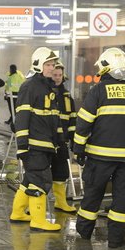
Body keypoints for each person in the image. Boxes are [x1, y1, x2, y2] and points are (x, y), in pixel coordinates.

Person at [72, 48, 125, 248]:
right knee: (122, 198)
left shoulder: (99, 90)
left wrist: (79, 149)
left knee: (93, 195)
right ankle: (116, 240)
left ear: (107, 67)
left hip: (100, 156)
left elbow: (83, 123)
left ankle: (84, 234)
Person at [10, 47, 62, 231]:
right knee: (40, 179)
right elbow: (22, 117)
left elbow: (53, 116)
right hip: (34, 144)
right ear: (38, 65)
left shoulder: (48, 87)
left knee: (30, 180)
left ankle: (17, 212)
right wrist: (22, 145)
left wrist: (59, 139)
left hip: (45, 143)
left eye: (53, 64)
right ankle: (38, 220)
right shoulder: (30, 86)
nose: (51, 68)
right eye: (48, 64)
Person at [50, 61, 77, 214]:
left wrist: (73, 139)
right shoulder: (43, 93)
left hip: (61, 141)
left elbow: (72, 118)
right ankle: (29, 205)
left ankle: (60, 202)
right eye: (55, 75)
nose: (58, 78)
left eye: (60, 75)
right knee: (38, 173)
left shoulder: (67, 97)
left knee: (61, 172)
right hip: (46, 140)